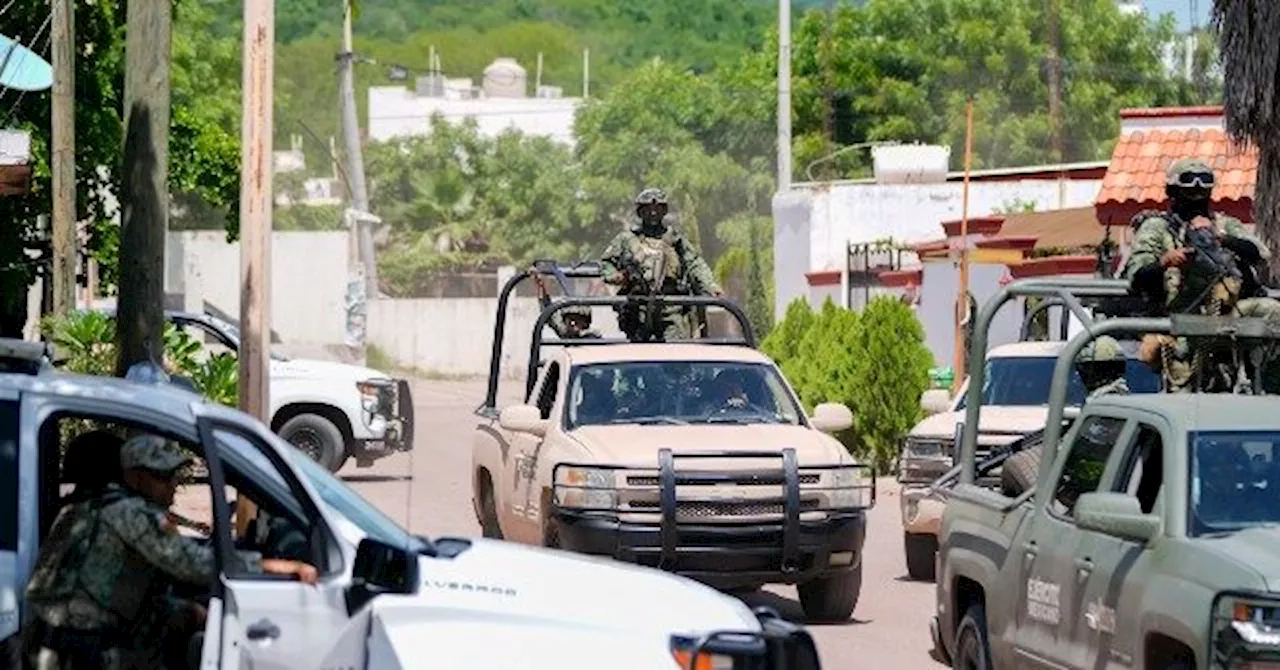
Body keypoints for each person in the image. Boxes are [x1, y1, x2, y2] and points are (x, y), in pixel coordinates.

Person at [24, 435, 317, 669]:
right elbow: (193, 565)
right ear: (134, 477)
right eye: (162, 477)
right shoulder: (130, 512)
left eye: (175, 475)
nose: (174, 485)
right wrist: (274, 566)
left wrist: (185, 611)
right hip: (79, 649)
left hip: (54, 640)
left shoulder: (93, 504)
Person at [1124, 158, 1280, 392]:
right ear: (1174, 191)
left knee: (1273, 312)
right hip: (1180, 324)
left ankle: (1272, 387)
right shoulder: (1158, 229)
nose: (1197, 193)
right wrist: (1166, 262)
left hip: (1228, 317)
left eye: (1202, 188)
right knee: (1185, 398)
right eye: (1190, 188)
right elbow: (1136, 278)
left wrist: (1222, 239)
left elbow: (1259, 254)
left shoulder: (1225, 225)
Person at [1000, 337, 1130, 497]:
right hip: (1100, 482)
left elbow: (1073, 451)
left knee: (1016, 465)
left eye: (1085, 369)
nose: (1081, 376)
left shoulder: (1104, 406)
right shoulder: (1121, 400)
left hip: (1088, 487)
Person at [600, 188, 723, 341]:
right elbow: (606, 263)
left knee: (675, 353)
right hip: (638, 308)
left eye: (657, 209)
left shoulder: (674, 239)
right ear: (640, 212)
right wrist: (616, 277)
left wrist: (710, 285)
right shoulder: (626, 239)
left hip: (670, 306)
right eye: (648, 209)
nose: (653, 213)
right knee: (638, 356)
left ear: (664, 211)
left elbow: (694, 263)